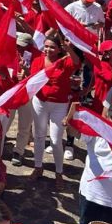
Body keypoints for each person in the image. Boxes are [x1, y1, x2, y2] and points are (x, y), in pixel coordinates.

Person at [29, 34, 80, 189]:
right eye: (46, 46)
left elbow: (77, 62)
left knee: (56, 140)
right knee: (39, 136)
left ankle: (59, 172)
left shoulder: (65, 61)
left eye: (52, 47)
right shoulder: (37, 61)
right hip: (40, 102)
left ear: (59, 49)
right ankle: (38, 167)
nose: (48, 49)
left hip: (60, 105)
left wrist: (69, 49)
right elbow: (32, 80)